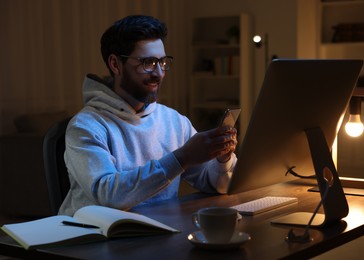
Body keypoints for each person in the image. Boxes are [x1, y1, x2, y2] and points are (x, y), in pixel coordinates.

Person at [59, 15, 238, 216]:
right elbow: (108, 196)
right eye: (148, 63)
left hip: (157, 234)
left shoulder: (174, 122)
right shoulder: (86, 126)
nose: (159, 73)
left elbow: (215, 184)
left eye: (162, 62)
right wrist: (182, 157)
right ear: (115, 65)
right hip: (92, 238)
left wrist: (223, 160)